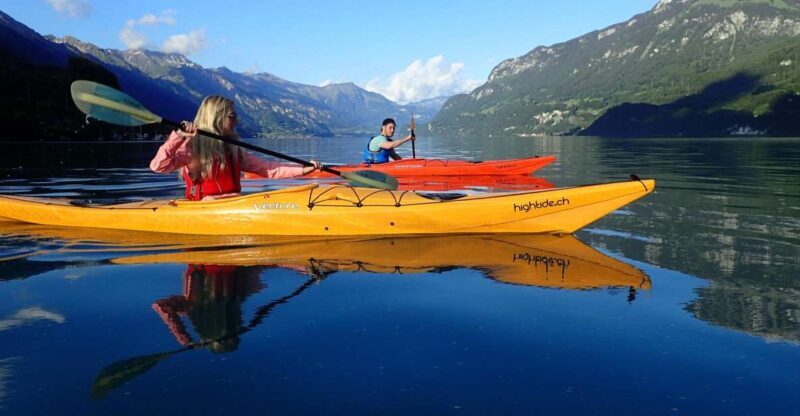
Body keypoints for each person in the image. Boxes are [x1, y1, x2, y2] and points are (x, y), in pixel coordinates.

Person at [150, 95, 322, 200]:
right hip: (205, 210)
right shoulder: (192, 148)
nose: (237, 121)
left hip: (235, 204)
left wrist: (303, 170)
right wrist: (178, 136)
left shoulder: (234, 150)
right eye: (232, 116)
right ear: (215, 118)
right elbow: (158, 166)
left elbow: (269, 169)